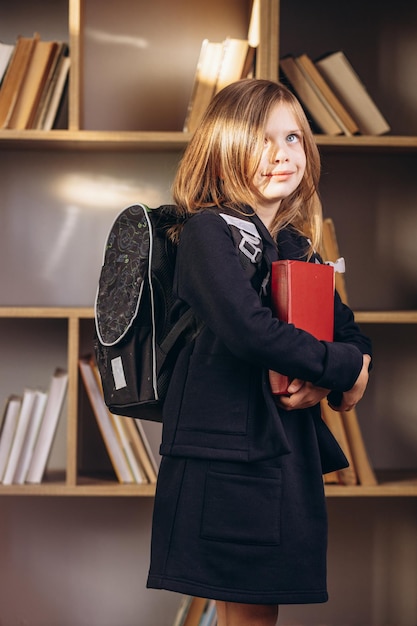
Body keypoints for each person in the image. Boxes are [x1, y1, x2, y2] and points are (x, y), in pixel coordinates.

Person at [146, 79, 372, 626]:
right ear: (222, 153)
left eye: (293, 137)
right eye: (261, 139)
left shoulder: (296, 245)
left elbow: (349, 332)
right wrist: (348, 371)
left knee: (260, 611)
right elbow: (251, 331)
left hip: (281, 452)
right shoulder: (206, 233)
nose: (281, 154)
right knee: (246, 614)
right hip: (226, 459)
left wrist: (337, 370)